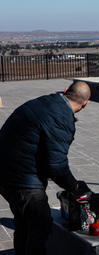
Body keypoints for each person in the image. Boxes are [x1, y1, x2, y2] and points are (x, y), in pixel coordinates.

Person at [0, 81, 92, 255]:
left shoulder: (45, 101)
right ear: (85, 104)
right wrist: (75, 187)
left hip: (5, 171)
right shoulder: (61, 118)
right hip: (22, 179)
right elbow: (57, 166)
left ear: (65, 91)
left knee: (23, 221)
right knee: (40, 225)